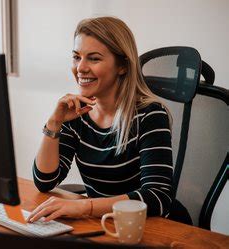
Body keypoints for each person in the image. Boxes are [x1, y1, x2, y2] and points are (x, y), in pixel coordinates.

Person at [27, 16, 173, 223]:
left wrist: (85, 206)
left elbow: (157, 196)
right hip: (103, 223)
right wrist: (54, 123)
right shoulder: (77, 113)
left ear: (122, 66)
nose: (80, 68)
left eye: (94, 58)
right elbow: (45, 181)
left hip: (145, 226)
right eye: (77, 57)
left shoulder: (150, 115)